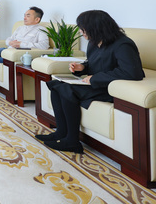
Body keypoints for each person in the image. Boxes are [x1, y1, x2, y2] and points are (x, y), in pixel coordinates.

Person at [36, 10, 144, 154]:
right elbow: (94, 63)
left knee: (67, 90)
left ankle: (72, 142)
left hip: (110, 88)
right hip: (95, 84)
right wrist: (82, 67)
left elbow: (132, 72)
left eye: (83, 29)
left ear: (96, 27)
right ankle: (61, 132)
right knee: (56, 86)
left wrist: (95, 78)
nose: (81, 32)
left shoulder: (123, 44)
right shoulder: (94, 42)